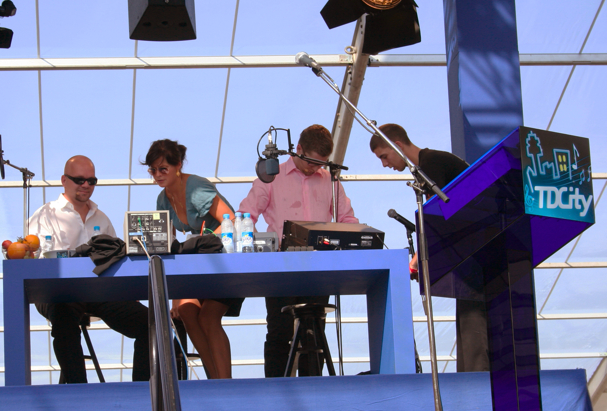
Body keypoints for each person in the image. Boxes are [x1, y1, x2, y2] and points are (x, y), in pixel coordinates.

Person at [238, 124, 360, 378]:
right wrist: (258, 248)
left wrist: (353, 239)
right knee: (279, 332)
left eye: (320, 163)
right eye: (311, 162)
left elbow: (347, 219)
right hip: (279, 266)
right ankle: (276, 392)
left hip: (319, 266)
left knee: (314, 333)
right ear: (299, 149)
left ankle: (313, 391)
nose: (315, 168)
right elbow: (245, 215)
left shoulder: (331, 181)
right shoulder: (272, 176)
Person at [370, 123, 488, 372]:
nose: (384, 164)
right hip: (472, 254)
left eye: (384, 156)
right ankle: (471, 379)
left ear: (397, 146)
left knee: (474, 326)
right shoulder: (431, 163)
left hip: (478, 254)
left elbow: (436, 221)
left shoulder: (431, 164)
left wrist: (416, 259)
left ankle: (476, 383)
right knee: (469, 324)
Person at [28, 155, 150, 383]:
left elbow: (117, 259)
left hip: (99, 292)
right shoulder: (45, 214)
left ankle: (141, 392)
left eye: (91, 181)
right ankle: (78, 391)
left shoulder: (102, 218)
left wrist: (128, 292)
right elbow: (32, 258)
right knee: (63, 313)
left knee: (151, 324)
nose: (86, 185)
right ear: (64, 180)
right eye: (79, 180)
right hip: (57, 293)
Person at [141, 139, 243, 379]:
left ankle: (225, 383)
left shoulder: (196, 187)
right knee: (186, 310)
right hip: (200, 264)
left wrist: (202, 244)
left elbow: (230, 221)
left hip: (226, 260)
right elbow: (168, 248)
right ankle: (214, 380)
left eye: (163, 169)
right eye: (153, 170)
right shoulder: (162, 199)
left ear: (178, 166)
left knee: (208, 317)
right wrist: (175, 296)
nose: (157, 175)